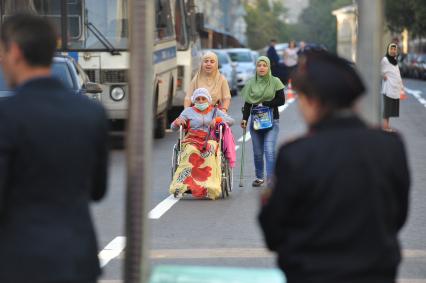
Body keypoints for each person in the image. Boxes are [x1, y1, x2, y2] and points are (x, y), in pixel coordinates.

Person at [259, 50, 410, 283]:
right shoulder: (391, 146)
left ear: (314, 101)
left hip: (312, 275)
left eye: (300, 98)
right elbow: (398, 217)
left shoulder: (296, 154)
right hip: (377, 274)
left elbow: (274, 233)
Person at [0, 14, 109, 283]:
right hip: (77, 258)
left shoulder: (6, 115)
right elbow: (98, 189)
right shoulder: (91, 113)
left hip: (18, 261)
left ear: (15, 51)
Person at [171, 88, 234, 199]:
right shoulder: (188, 111)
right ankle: (183, 184)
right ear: (194, 100)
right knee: (191, 151)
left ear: (208, 100)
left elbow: (231, 121)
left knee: (210, 149)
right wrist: (177, 122)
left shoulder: (215, 111)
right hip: (192, 139)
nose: (200, 101)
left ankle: (209, 185)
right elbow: (173, 127)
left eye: (203, 98)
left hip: (209, 139)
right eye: (198, 99)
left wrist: (219, 119)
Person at [240, 56, 285, 187]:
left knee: (269, 150)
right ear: (256, 67)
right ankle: (259, 177)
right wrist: (244, 119)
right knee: (258, 152)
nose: (261, 68)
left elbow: (281, 100)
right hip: (255, 122)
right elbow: (248, 103)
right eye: (259, 65)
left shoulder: (275, 81)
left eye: (264, 65)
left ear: (269, 67)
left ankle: (271, 178)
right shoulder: (251, 83)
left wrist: (264, 103)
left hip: (272, 121)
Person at [382, 42, 404, 131]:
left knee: (390, 109)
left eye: (395, 49)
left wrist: (401, 86)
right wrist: (383, 75)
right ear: (388, 50)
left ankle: (387, 126)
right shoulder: (385, 59)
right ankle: (385, 126)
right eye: (392, 49)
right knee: (387, 108)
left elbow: (397, 73)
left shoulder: (395, 61)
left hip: (394, 88)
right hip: (388, 88)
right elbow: (379, 69)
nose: (393, 51)